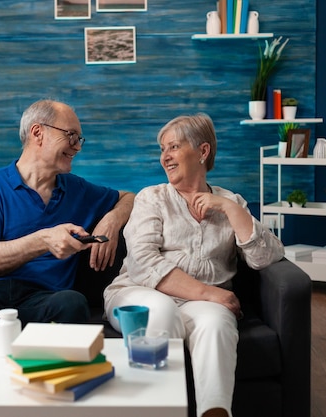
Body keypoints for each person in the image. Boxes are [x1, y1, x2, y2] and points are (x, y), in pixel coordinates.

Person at [0, 99, 135, 386]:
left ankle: (60, 402)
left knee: (72, 302)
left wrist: (112, 220)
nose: (77, 146)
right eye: (71, 136)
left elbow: (130, 197)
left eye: (80, 139)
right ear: (37, 132)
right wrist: (44, 240)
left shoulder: (77, 189)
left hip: (44, 298)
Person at [103, 113, 284, 417]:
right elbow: (144, 263)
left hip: (198, 304)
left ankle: (215, 412)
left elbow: (265, 257)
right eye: (162, 150)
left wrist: (229, 209)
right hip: (139, 291)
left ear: (203, 151)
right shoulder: (152, 198)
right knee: (160, 312)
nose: (165, 157)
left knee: (217, 324)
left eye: (173, 147)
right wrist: (212, 294)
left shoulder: (231, 202)